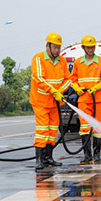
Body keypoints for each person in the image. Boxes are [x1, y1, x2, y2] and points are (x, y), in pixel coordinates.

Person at [30, 32, 72, 170]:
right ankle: (39, 160)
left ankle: (48, 157)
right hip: (41, 101)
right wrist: (54, 90)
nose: (57, 51)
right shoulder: (38, 58)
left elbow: (68, 79)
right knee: (42, 130)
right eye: (54, 47)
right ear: (47, 46)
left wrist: (61, 91)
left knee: (53, 130)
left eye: (59, 48)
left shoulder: (62, 61)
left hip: (55, 103)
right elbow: (39, 78)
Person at [71, 35, 101, 165]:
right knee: (84, 127)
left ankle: (97, 155)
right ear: (83, 48)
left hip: (98, 99)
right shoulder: (78, 62)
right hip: (83, 99)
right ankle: (87, 156)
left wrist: (96, 87)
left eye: (92, 47)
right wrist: (77, 88)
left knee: (97, 127)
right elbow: (73, 80)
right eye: (88, 47)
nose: (90, 49)